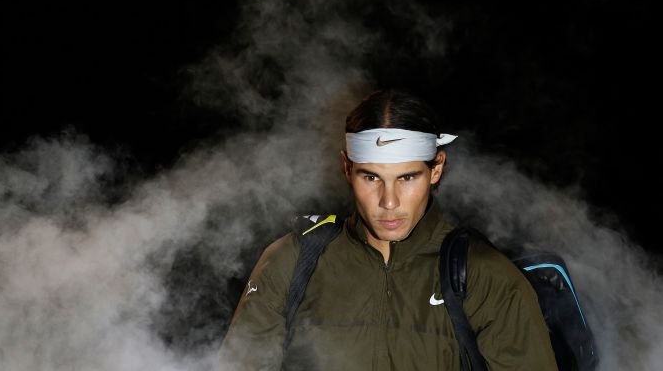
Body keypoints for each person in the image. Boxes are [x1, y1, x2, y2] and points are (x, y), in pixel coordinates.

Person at [217, 89, 558, 370]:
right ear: (347, 168)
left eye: (407, 177)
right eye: (371, 177)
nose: (389, 201)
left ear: (436, 170)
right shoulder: (291, 261)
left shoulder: (484, 276)